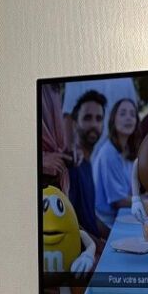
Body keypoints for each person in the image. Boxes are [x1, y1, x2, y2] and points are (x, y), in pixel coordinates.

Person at [92, 96, 141, 235]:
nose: (128, 118)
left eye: (132, 114)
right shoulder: (108, 153)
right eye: (123, 113)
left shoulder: (128, 151)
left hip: (124, 218)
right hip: (108, 225)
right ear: (113, 119)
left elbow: (130, 193)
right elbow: (118, 201)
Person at [65, 91, 106, 239]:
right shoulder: (72, 165)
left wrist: (115, 235)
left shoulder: (87, 164)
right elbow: (71, 225)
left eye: (99, 119)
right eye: (87, 118)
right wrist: (100, 246)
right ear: (75, 124)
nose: (94, 124)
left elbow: (91, 219)